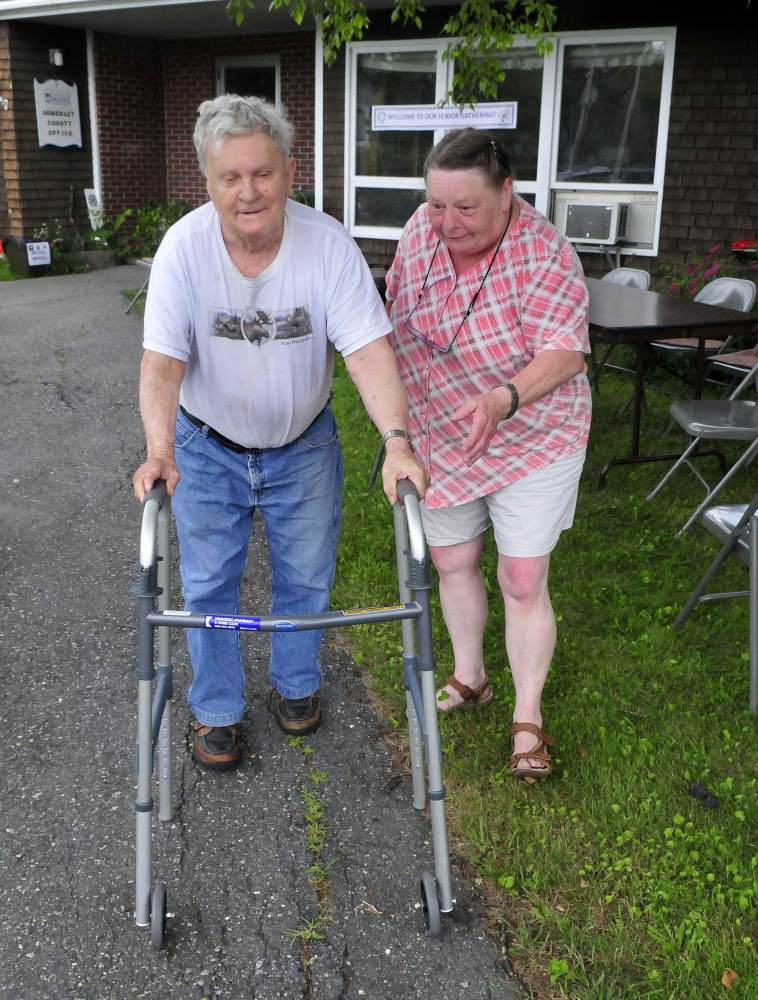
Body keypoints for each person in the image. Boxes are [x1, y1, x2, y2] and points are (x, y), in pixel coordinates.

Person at [133, 95, 427, 771]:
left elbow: (368, 351)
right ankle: (216, 710)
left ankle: (296, 685)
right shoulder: (183, 248)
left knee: (306, 580)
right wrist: (160, 450)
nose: (248, 192)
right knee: (208, 588)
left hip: (304, 447)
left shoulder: (326, 245)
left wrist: (397, 441)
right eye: (229, 178)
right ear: (207, 181)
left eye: (261, 173)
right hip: (208, 447)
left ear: (289, 171)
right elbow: (162, 362)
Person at [384, 129, 591, 779]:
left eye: (464, 209)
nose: (445, 223)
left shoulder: (545, 252)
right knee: (453, 559)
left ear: (507, 193)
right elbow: (392, 312)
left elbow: (566, 351)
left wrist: (502, 399)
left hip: (533, 432)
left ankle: (527, 716)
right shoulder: (422, 230)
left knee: (523, 577)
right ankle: (472, 676)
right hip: (442, 428)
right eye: (437, 205)